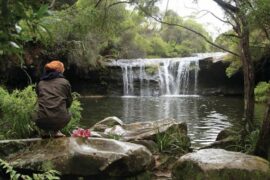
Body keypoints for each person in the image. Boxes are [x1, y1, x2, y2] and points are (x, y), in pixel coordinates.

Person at [35, 60, 72, 138]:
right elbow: (69, 101)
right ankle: (56, 131)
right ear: (59, 70)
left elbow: (39, 98)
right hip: (60, 120)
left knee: (37, 109)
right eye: (63, 68)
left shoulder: (41, 83)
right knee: (69, 111)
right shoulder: (64, 82)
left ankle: (45, 131)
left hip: (41, 121)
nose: (64, 70)